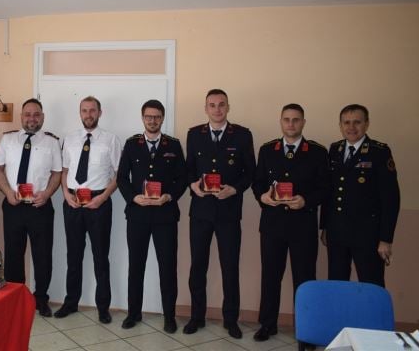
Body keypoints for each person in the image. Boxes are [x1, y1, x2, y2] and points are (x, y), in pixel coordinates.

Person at [251, 104, 329, 344]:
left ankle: (306, 330)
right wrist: (262, 197)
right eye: (287, 119)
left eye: (296, 120)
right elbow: (258, 182)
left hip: (302, 226)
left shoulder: (317, 152)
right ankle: (267, 324)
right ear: (281, 122)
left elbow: (325, 188)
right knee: (270, 277)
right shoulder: (267, 150)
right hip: (272, 225)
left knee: (304, 280)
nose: (291, 124)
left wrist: (306, 201)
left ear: (303, 122)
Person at [184, 89, 255, 338]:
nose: (217, 109)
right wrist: (193, 185)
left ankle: (230, 319)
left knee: (230, 267)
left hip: (228, 212)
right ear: (206, 109)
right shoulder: (194, 134)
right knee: (197, 267)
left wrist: (234, 189)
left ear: (228, 107)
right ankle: (197, 317)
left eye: (221, 104)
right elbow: (188, 169)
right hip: (201, 212)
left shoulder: (242, 135)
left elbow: (250, 172)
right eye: (212, 105)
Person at [117, 99, 187, 333]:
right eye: (149, 116)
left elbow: (182, 178)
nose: (152, 120)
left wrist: (169, 196)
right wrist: (133, 197)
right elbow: (121, 178)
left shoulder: (173, 145)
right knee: (136, 266)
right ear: (143, 118)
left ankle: (169, 316)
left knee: (168, 267)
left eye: (157, 117)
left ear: (162, 118)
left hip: (165, 216)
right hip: (137, 215)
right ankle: (133, 313)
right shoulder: (132, 144)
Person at [53, 96, 122, 324]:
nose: (88, 114)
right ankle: (71, 302)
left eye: (92, 110)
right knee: (73, 255)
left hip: (99, 202)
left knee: (101, 256)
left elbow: (119, 174)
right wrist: (65, 194)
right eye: (84, 110)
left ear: (100, 113)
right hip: (73, 201)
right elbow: (64, 171)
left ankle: (103, 307)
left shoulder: (111, 140)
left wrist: (103, 197)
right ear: (80, 113)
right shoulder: (70, 139)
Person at [0, 98, 62, 317]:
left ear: (42, 117)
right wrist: (7, 192)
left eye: (36, 114)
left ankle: (41, 299)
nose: (32, 118)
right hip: (13, 205)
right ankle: (16, 298)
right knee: (13, 254)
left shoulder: (52, 142)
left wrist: (47, 193)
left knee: (42, 255)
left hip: (40, 206)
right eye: (28, 114)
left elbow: (57, 173)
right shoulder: (8, 139)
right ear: (21, 116)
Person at [321, 104, 400, 287]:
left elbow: (391, 198)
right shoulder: (335, 149)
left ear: (366, 124)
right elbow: (330, 192)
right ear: (340, 125)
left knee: (372, 285)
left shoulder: (379, 151)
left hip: (368, 235)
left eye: (357, 122)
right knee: (337, 285)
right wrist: (325, 227)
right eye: (346, 122)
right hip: (337, 233)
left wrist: (386, 239)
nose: (351, 127)